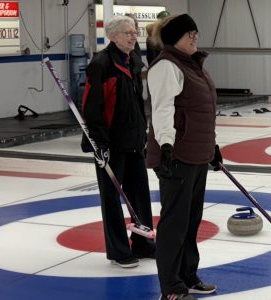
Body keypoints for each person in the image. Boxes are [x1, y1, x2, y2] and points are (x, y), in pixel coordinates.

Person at [146, 14, 222, 300]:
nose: (195, 38)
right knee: (174, 225)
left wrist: (211, 147)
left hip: (196, 154)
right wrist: (165, 145)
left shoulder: (193, 66)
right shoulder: (167, 66)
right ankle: (171, 288)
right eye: (190, 34)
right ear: (176, 38)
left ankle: (188, 275)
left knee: (191, 221)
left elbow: (202, 112)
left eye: (196, 33)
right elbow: (163, 109)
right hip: (176, 155)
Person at [80, 16, 154, 268]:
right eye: (128, 33)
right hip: (110, 144)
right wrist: (99, 143)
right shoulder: (101, 64)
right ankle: (119, 251)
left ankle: (143, 243)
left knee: (140, 195)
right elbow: (91, 108)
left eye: (135, 32)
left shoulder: (133, 59)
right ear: (113, 37)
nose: (134, 36)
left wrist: (143, 133)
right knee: (112, 198)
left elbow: (135, 102)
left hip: (133, 140)